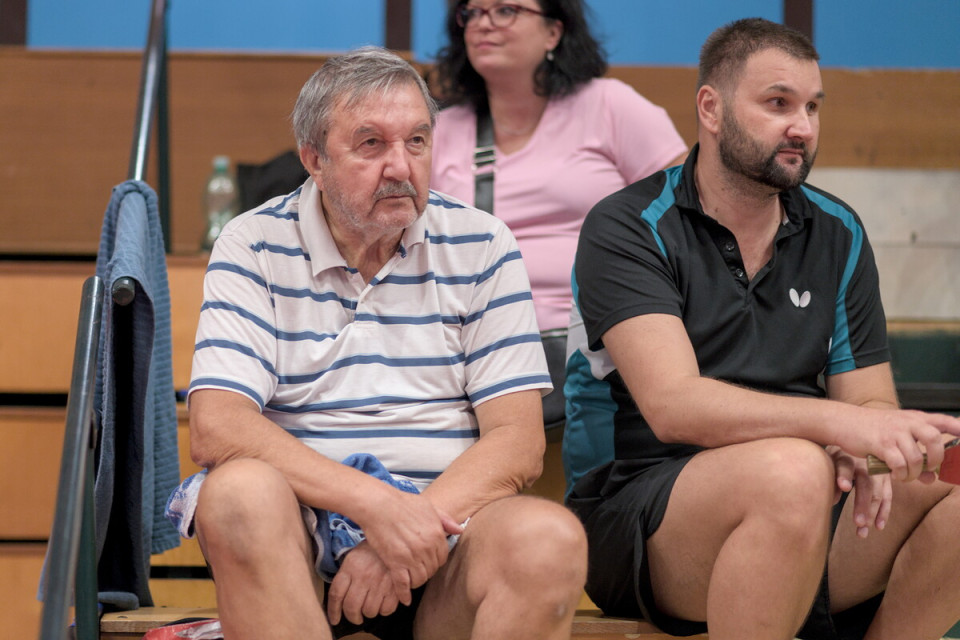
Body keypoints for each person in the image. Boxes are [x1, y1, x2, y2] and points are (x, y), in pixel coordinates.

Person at [165, 46, 587, 640]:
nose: (400, 166)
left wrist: (408, 531)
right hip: (299, 545)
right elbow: (219, 427)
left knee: (550, 537)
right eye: (371, 144)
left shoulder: (482, 243)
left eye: (416, 141)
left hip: (447, 541)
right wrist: (377, 507)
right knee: (236, 494)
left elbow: (518, 442)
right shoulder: (253, 243)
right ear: (314, 159)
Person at [563, 17, 960, 640]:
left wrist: (868, 445)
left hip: (809, 492)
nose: (802, 127)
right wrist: (835, 428)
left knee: (915, 478)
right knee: (791, 471)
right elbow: (674, 406)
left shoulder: (838, 230)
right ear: (711, 108)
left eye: (812, 107)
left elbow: (869, 404)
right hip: (641, 512)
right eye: (778, 103)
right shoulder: (627, 226)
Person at [430, 0, 687, 431]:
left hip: (604, 343)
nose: (483, 24)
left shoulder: (610, 105)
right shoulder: (439, 130)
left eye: (505, 10)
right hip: (469, 348)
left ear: (553, 31)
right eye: (471, 12)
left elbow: (686, 219)